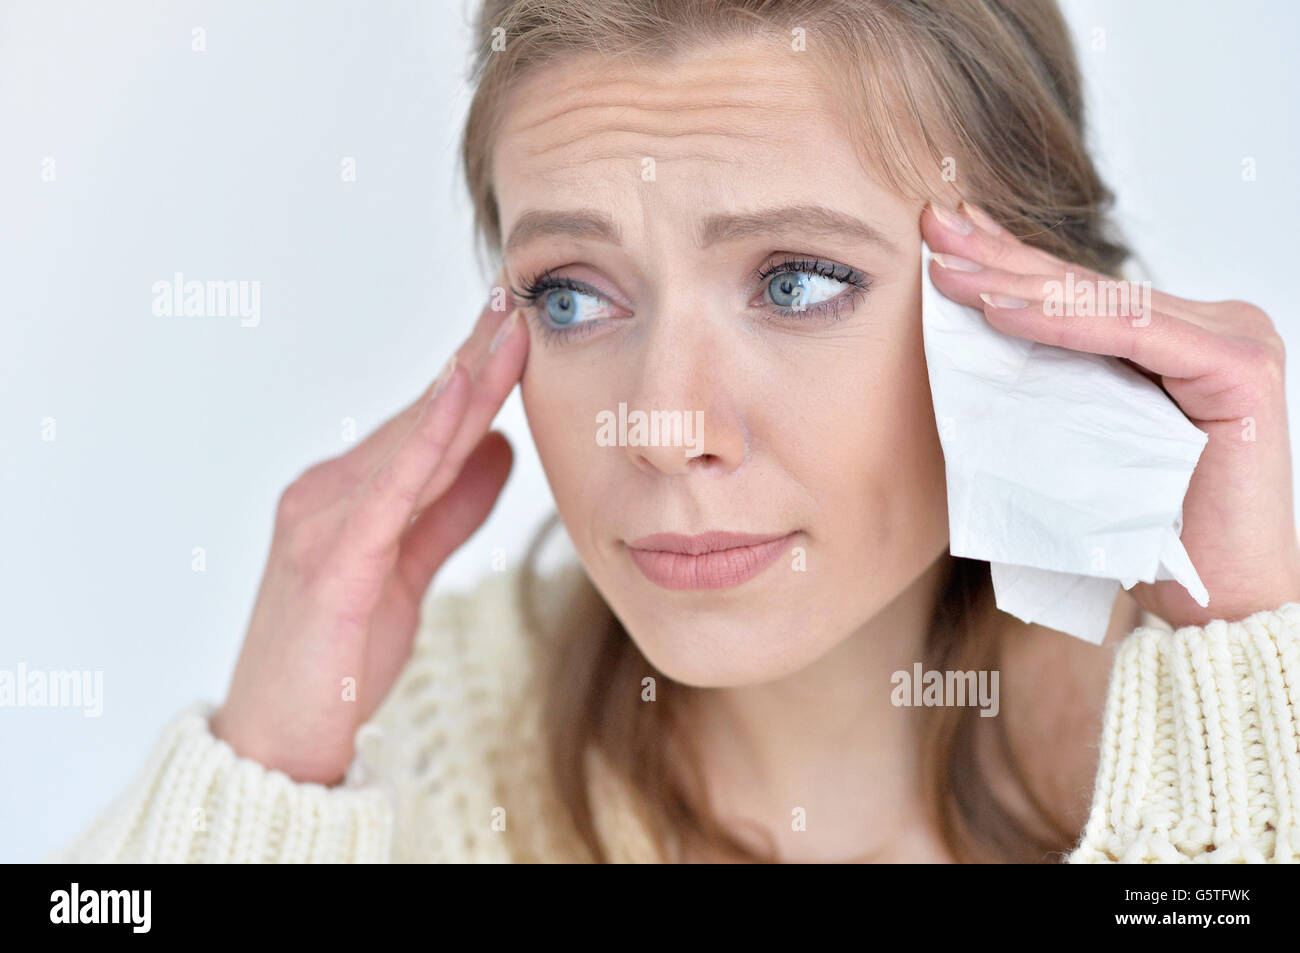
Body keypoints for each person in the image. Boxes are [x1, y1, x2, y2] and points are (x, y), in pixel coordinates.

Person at [50, 0, 1300, 863]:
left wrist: (1238, 689)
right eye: (574, 294)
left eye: (798, 280)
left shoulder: (1254, 717)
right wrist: (261, 774)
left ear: (1040, 302)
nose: (664, 427)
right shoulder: (412, 757)